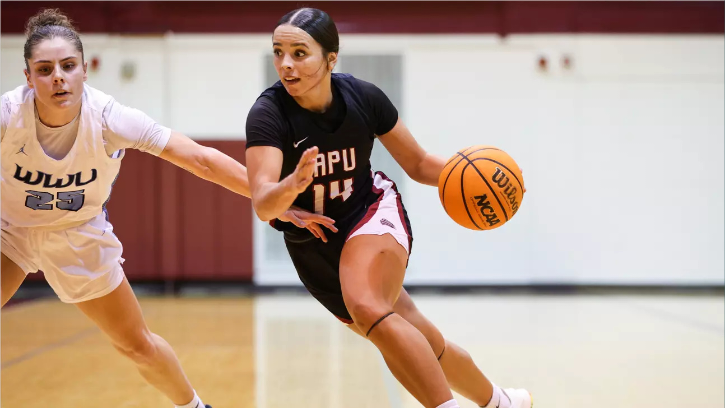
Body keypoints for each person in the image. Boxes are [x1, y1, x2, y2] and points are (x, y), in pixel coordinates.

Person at [1, 8, 334, 408]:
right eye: (45, 69)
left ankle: (194, 406)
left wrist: (276, 199)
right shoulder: (8, 115)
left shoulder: (109, 118)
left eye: (68, 65)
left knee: (136, 345)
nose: (58, 76)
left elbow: (201, 159)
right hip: (11, 232)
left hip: (77, 234)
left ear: (84, 70)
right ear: (28, 77)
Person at [245, 8, 533, 408]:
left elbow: (416, 163)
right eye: (278, 52)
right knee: (419, 338)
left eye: (299, 52)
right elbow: (262, 202)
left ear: (331, 58)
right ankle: (503, 402)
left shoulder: (364, 98)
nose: (285, 64)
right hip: (315, 247)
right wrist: (291, 185)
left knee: (367, 306)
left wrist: (469, 176)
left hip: (369, 212)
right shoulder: (269, 114)